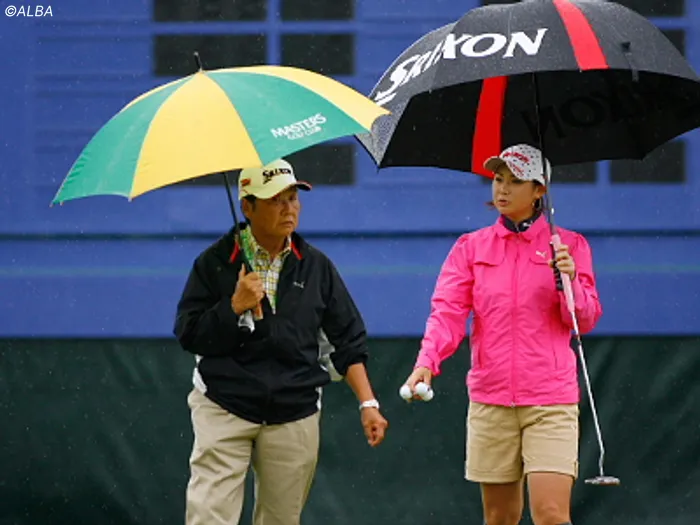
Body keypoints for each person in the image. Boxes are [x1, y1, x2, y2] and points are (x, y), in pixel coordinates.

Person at [173, 158, 389, 525]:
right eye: (275, 200)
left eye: (292, 198)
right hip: (224, 405)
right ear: (247, 207)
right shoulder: (213, 263)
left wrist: (368, 402)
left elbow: (348, 340)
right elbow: (189, 333)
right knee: (208, 517)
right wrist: (233, 306)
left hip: (295, 410)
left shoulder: (317, 267)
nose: (289, 209)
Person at [403, 144, 602, 525]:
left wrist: (570, 280)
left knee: (551, 514)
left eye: (515, 181)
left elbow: (584, 319)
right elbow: (447, 312)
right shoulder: (470, 247)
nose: (503, 189)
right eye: (498, 179)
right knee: (499, 518)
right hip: (491, 400)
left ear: (539, 190)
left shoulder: (570, 246)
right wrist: (427, 361)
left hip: (550, 401)